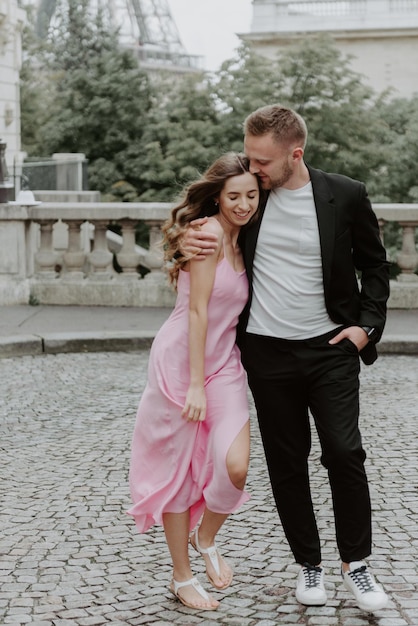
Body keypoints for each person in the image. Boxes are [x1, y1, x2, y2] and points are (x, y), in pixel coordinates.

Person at [183, 105, 390, 612]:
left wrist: (366, 329)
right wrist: (188, 234)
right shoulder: (250, 199)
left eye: (261, 162)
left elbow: (376, 267)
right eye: (249, 159)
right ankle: (309, 565)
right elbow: (206, 222)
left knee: (344, 452)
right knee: (286, 461)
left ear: (294, 155)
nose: (252, 170)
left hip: (331, 349)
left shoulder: (345, 194)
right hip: (267, 353)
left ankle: (356, 566)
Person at [127, 153, 262, 611]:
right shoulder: (206, 234)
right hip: (183, 365)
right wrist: (196, 386)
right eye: (234, 196)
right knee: (179, 473)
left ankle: (207, 539)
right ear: (218, 197)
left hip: (224, 362)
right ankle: (181, 577)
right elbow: (201, 310)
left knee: (236, 465)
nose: (243, 204)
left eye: (251, 195)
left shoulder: (248, 238)